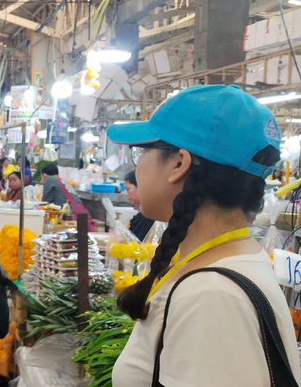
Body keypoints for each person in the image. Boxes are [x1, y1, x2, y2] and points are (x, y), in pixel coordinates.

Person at [108, 85, 301, 386]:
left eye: (142, 150)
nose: (139, 161)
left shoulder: (210, 295)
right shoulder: (226, 264)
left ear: (179, 164)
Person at [125, 170, 154, 240]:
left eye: (128, 189)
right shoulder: (146, 213)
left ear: (141, 186)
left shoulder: (146, 217)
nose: (126, 194)